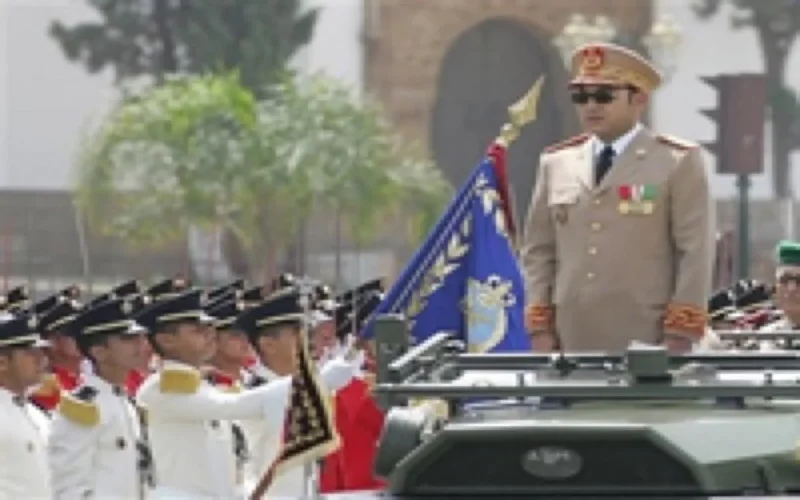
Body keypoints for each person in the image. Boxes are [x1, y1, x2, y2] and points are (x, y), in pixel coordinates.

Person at [520, 42, 712, 353]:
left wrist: (681, 332)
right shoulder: (556, 163)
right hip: (568, 339)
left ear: (639, 99)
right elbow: (538, 251)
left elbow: (695, 251)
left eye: (604, 96)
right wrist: (539, 326)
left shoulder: (676, 161)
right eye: (581, 96)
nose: (590, 106)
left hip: (646, 336)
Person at [134, 288, 296, 499]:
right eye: (197, 330)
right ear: (167, 340)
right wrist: (309, 382)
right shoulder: (162, 389)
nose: (210, 335)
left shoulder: (201, 385)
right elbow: (237, 406)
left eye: (209, 327)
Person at [235, 286, 358, 499]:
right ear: (268, 344)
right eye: (296, 334)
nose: (308, 342)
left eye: (307, 332)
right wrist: (323, 382)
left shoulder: (292, 390)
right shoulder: (256, 396)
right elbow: (245, 474)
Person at [48, 297, 150, 499]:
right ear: (100, 352)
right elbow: (68, 484)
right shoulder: (83, 407)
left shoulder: (127, 401)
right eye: (127, 339)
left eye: (140, 337)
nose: (141, 345)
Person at [0, 312, 52, 497]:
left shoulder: (38, 415)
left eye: (41, 351)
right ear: (2, 362)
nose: (41, 359)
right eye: (30, 352)